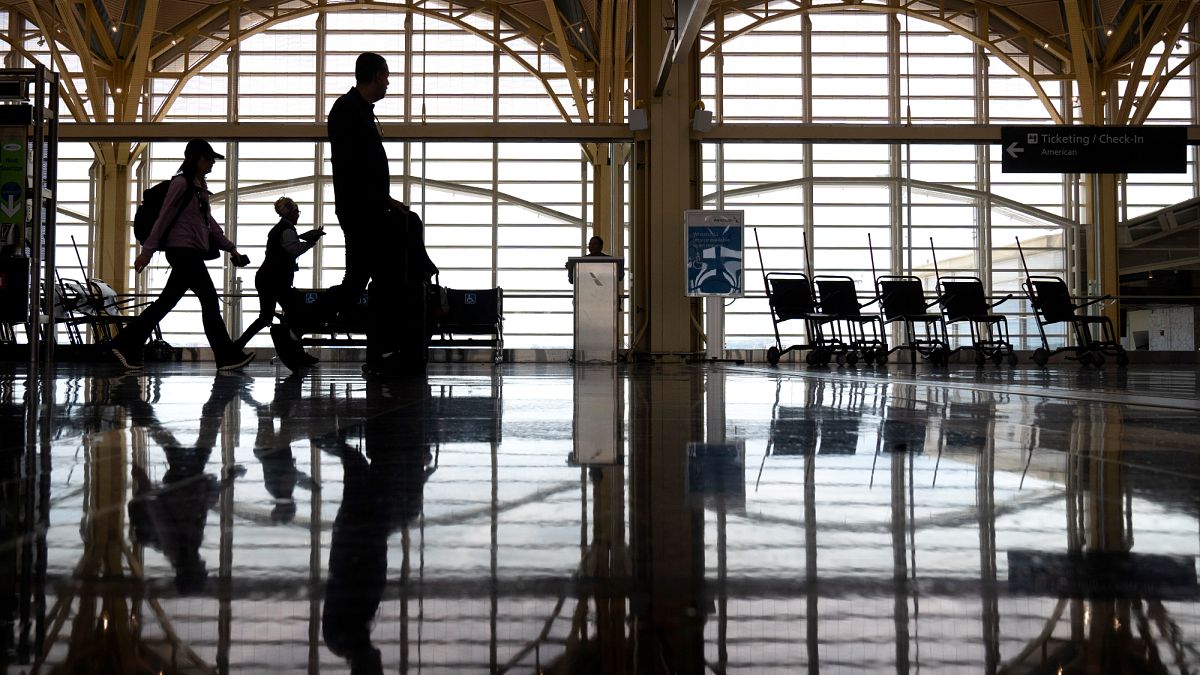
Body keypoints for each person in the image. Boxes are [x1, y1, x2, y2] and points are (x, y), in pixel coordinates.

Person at [327, 52, 437, 376]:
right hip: (362, 211)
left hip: (367, 208)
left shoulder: (357, 110)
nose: (389, 83)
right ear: (376, 75)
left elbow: (361, 168)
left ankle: (380, 351)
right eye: (387, 76)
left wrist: (386, 200)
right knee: (374, 280)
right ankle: (304, 321)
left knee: (363, 279)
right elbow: (354, 167)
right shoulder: (348, 111)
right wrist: (383, 201)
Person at [111, 139, 255, 372]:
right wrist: (146, 253)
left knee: (167, 302)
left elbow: (209, 224)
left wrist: (231, 248)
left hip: (189, 253)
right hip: (183, 253)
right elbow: (164, 218)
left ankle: (126, 344)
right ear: (196, 159)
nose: (212, 163)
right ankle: (226, 356)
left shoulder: (198, 190)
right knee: (209, 301)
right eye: (208, 159)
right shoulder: (181, 184)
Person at [233, 196, 323, 355]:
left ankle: (237, 346)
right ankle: (296, 353)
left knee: (266, 317)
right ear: (290, 213)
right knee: (295, 312)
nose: (298, 215)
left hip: (267, 278)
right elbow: (294, 250)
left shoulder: (277, 230)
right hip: (276, 281)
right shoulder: (287, 230)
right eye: (297, 212)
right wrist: (311, 241)